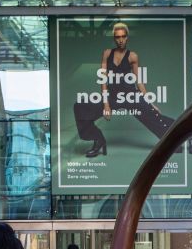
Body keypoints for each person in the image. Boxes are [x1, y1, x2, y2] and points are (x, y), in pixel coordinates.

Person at [73, 22, 175, 158]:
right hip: (113, 96)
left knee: (155, 117)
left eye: (123, 36)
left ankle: (179, 137)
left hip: (130, 96)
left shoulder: (133, 56)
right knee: (80, 107)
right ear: (114, 38)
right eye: (117, 37)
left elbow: (139, 82)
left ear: (127, 37)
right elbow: (103, 79)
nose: (120, 40)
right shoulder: (107, 54)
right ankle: (98, 140)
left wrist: (150, 103)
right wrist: (106, 105)